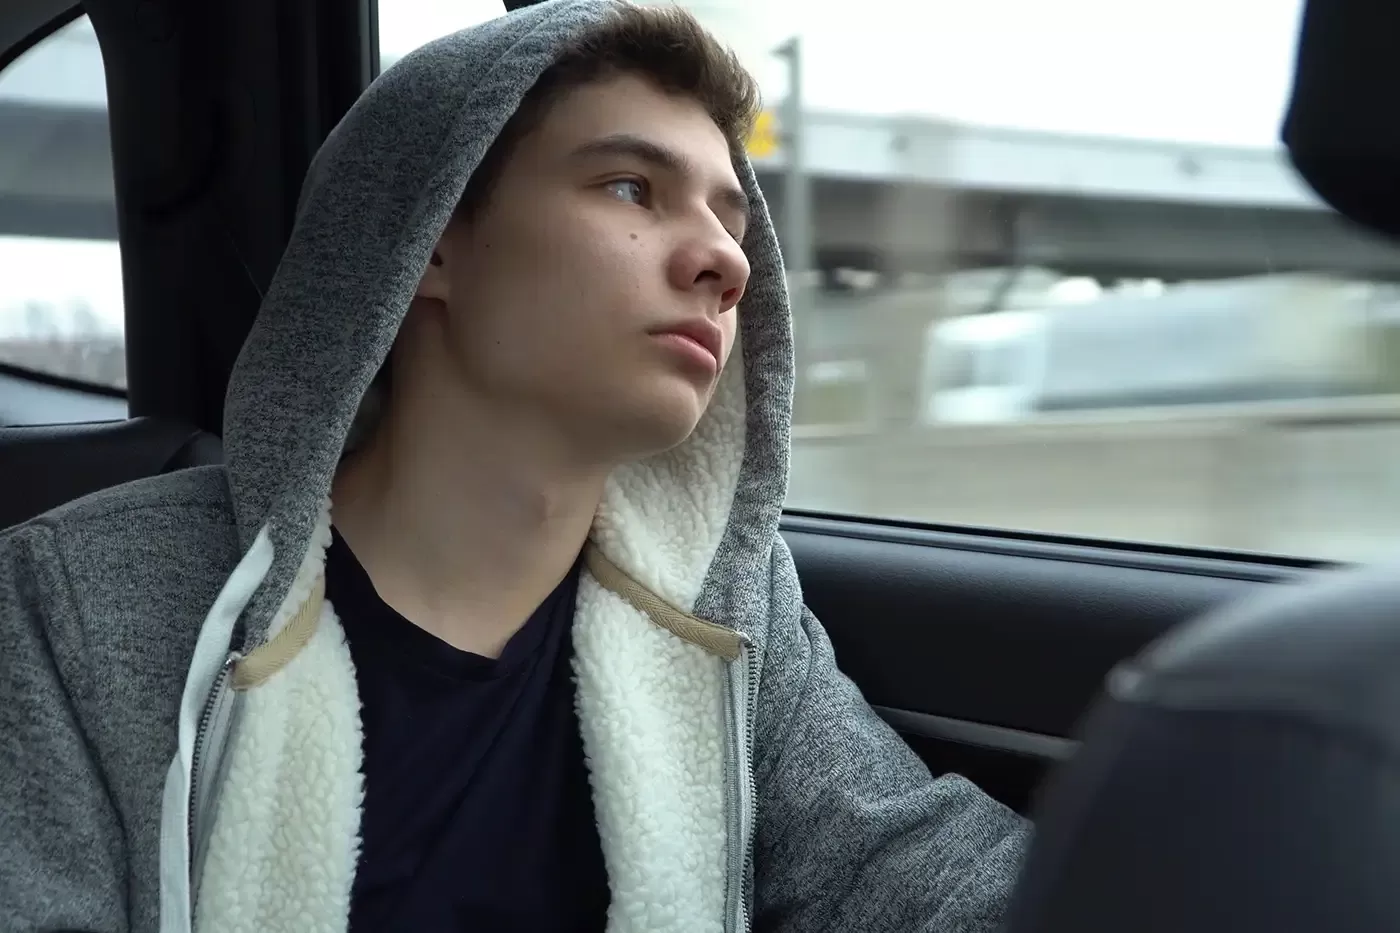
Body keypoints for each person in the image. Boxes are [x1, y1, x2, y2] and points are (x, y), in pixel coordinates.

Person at [0, 1, 1030, 931]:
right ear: (431, 243)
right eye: (632, 187)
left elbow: (927, 880)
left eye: (725, 215)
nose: (727, 262)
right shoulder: (81, 602)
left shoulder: (722, 607)